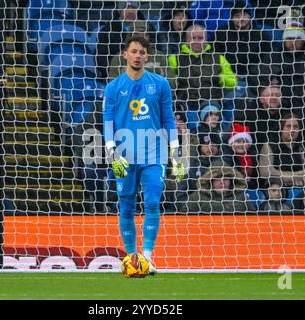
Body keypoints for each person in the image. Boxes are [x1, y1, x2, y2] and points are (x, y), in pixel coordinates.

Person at [103, 35, 184, 274]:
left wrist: (176, 153)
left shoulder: (160, 84)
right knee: (125, 206)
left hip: (154, 155)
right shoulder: (113, 87)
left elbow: (169, 119)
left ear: (147, 56)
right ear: (125, 55)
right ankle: (131, 257)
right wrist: (111, 151)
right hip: (124, 156)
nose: (138, 56)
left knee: (151, 203)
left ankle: (146, 258)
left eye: (142, 52)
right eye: (134, 51)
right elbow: (107, 120)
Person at [170, 23, 238, 107]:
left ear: (206, 39)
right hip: (185, 104)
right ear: (186, 40)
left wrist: (219, 78)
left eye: (200, 38)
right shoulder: (174, 58)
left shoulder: (218, 58)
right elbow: (168, 83)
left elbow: (233, 83)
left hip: (212, 103)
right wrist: (177, 80)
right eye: (193, 38)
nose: (197, 41)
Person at [259, 112, 305, 187]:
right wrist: (299, 175)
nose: (292, 130)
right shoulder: (269, 145)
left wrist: (284, 175)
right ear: (281, 128)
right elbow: (266, 173)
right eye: (288, 126)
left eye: (295, 127)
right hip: (278, 188)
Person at [108, 21, 175, 89]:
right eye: (137, 34)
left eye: (144, 34)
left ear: (149, 37)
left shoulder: (159, 56)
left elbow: (171, 82)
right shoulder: (119, 59)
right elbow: (113, 85)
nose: (141, 37)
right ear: (129, 37)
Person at [179, 160, 256, 214]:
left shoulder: (242, 196)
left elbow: (253, 217)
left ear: (231, 181)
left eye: (226, 179)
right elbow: (184, 219)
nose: (222, 182)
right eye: (217, 179)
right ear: (210, 181)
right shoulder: (197, 197)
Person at [96, 1, 147, 80]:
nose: (130, 11)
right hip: (117, 75)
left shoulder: (148, 29)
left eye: (133, 8)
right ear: (119, 11)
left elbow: (154, 52)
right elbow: (101, 58)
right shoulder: (107, 31)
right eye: (126, 8)